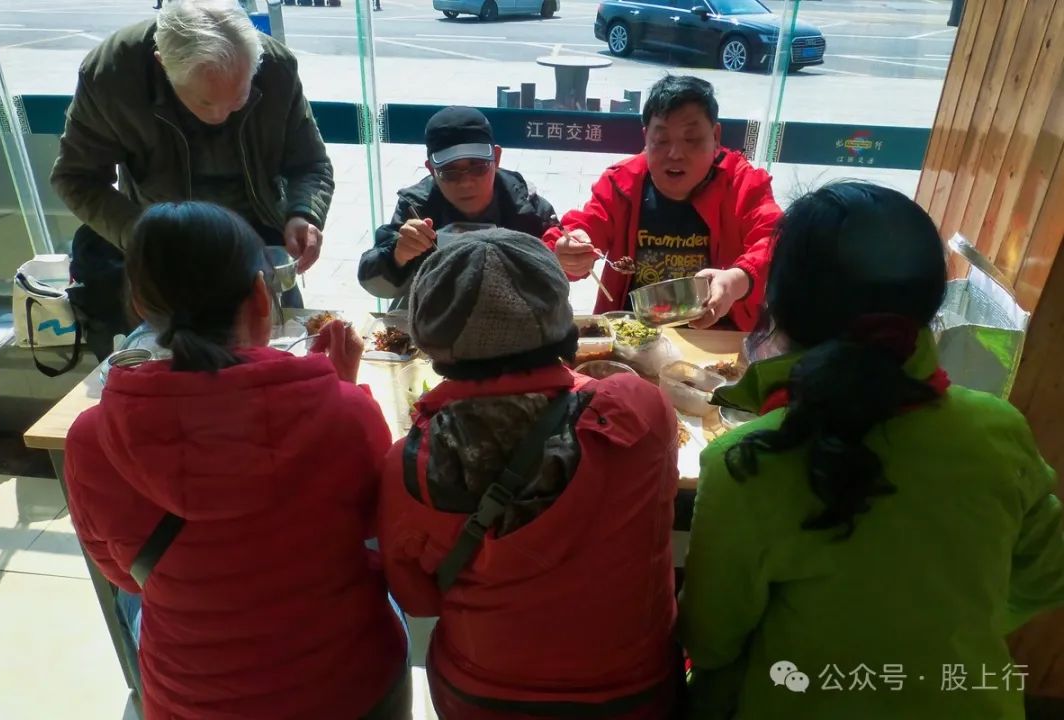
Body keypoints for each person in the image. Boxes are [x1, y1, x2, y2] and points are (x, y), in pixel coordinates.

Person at [678, 182, 1064, 720]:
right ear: (930, 302)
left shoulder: (746, 461)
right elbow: (1049, 574)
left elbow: (710, 641)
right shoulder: (998, 429)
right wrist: (938, 629)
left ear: (781, 308)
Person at [63, 202, 409, 720]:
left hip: (190, 702)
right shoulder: (344, 413)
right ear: (260, 296)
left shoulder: (92, 438)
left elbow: (128, 576)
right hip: (349, 688)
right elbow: (374, 527)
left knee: (136, 605)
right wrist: (340, 390)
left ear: (139, 304)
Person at [377, 228, 682, 719]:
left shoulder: (411, 463)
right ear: (562, 322)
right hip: (634, 695)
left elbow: (419, 600)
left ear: (430, 340)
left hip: (483, 696)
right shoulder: (640, 412)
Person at [52, 0, 333, 360]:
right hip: (169, 254)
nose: (221, 116)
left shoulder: (276, 68)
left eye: (239, 99)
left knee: (275, 359)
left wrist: (303, 212)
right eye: (204, 103)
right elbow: (76, 176)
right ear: (163, 64)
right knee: (172, 366)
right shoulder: (111, 76)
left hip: (257, 245)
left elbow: (310, 163)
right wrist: (145, 234)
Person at [544, 75, 781, 332]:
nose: (675, 154)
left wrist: (736, 280)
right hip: (634, 334)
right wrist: (567, 253)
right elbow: (581, 230)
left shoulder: (742, 184)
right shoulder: (622, 184)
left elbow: (775, 244)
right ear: (646, 138)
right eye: (662, 140)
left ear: (715, 136)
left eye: (691, 139)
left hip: (719, 336)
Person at [358, 106, 557, 309]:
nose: (466, 182)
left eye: (478, 167)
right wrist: (398, 256)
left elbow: (558, 281)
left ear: (496, 158)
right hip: (434, 315)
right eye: (449, 172)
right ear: (431, 170)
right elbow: (373, 282)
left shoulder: (527, 208)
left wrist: (567, 258)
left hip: (512, 315)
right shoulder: (418, 208)